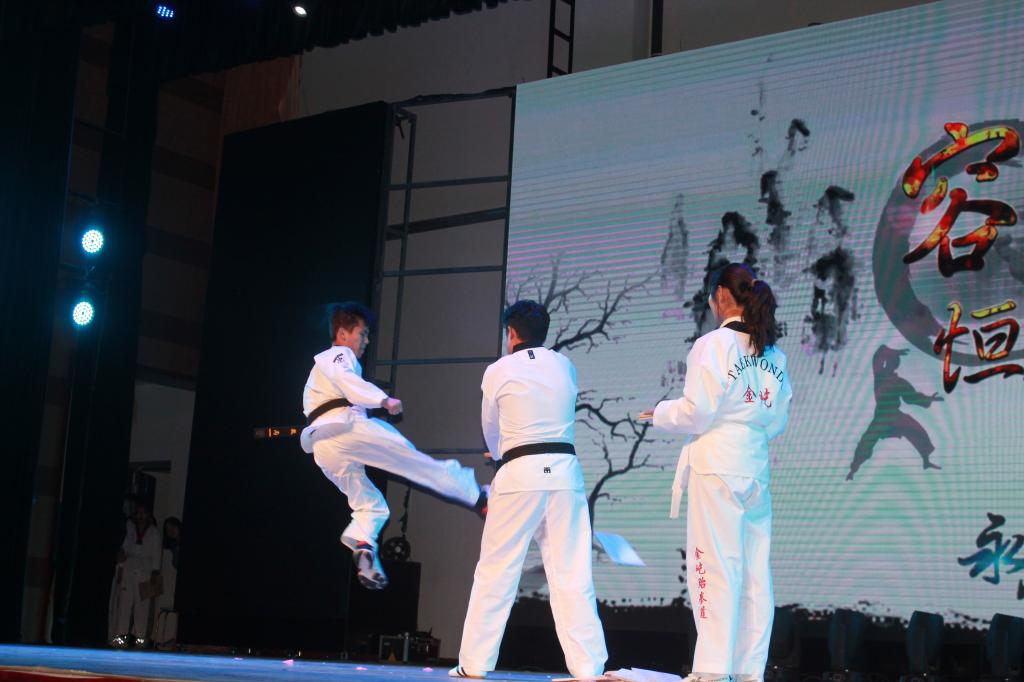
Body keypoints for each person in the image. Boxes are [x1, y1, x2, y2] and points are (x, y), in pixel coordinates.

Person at [638, 263, 792, 682]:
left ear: (722, 295)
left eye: (711, 298)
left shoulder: (714, 344)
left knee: (714, 565)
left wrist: (661, 412)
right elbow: (777, 420)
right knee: (754, 573)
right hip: (754, 466)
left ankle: (711, 669)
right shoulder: (773, 354)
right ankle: (748, 670)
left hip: (717, 465)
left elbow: (697, 411)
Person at [451, 300, 607, 680]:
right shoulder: (565, 365)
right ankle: (589, 667)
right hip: (564, 475)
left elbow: (491, 429)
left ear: (511, 333)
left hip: (519, 474)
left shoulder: (498, 370)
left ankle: (474, 664)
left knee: (497, 571)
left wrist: (499, 451)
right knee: (572, 573)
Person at [301, 302, 485, 590]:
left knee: (369, 504)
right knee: (412, 461)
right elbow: (347, 380)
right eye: (362, 334)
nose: (366, 341)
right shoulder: (337, 355)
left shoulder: (321, 370)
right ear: (343, 333)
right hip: (346, 428)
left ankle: (364, 544)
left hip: (324, 447)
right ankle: (477, 496)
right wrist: (382, 400)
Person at [846, 345, 942, 480]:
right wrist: (893, 351)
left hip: (893, 415)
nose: (891, 363)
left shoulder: (897, 381)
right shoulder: (880, 375)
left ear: (895, 365)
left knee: (916, 429)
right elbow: (878, 355)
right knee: (867, 441)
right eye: (891, 360)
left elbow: (911, 397)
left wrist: (928, 399)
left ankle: (926, 460)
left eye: (893, 361)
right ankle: (853, 469)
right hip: (882, 417)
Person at [108, 500, 162, 648]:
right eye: (139, 513)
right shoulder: (130, 528)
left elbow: (157, 554)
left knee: (142, 607)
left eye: (143, 513)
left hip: (145, 572)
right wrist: (120, 568)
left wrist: (154, 573)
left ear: (148, 515)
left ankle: (140, 638)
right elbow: (123, 550)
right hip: (129, 569)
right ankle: (121, 637)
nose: (141, 516)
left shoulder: (154, 532)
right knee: (124, 605)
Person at [153, 517, 182, 649]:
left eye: (173, 527)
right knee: (164, 610)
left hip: (176, 583)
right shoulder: (166, 546)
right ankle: (162, 640)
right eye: (168, 529)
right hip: (167, 584)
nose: (171, 531)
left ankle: (173, 641)